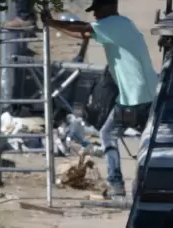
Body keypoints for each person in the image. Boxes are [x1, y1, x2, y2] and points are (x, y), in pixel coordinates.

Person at [43, 0, 159, 198]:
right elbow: (85, 32)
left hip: (134, 95)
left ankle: (117, 185)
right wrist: (54, 24)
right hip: (146, 93)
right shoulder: (123, 23)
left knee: (108, 134)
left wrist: (52, 23)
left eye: (97, 10)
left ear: (109, 7)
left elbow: (84, 29)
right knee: (147, 139)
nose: (95, 15)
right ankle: (150, 183)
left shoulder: (112, 24)